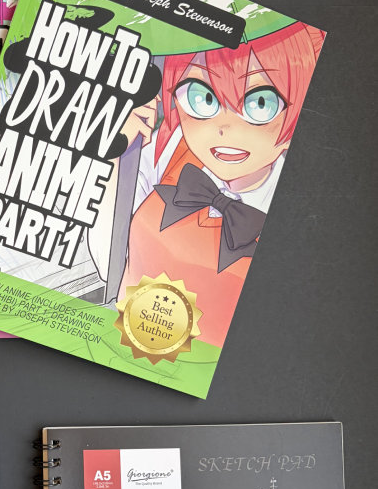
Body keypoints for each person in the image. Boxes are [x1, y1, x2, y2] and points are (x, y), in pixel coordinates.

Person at [115, 22, 324, 348]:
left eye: (260, 103)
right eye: (202, 97)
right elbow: (109, 246)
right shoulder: (169, 147)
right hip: (119, 339)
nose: (225, 127)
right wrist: (118, 153)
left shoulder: (304, 204)